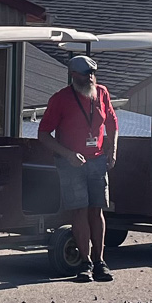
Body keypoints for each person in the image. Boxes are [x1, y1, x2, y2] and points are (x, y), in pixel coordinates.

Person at [38, 55, 118, 281]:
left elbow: (112, 124)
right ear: (74, 75)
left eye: (93, 73)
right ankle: (85, 262)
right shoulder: (60, 99)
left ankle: (100, 261)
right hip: (71, 164)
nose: (91, 78)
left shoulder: (102, 93)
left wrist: (112, 152)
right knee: (80, 210)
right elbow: (43, 134)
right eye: (86, 74)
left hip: (97, 160)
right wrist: (68, 155)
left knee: (97, 209)